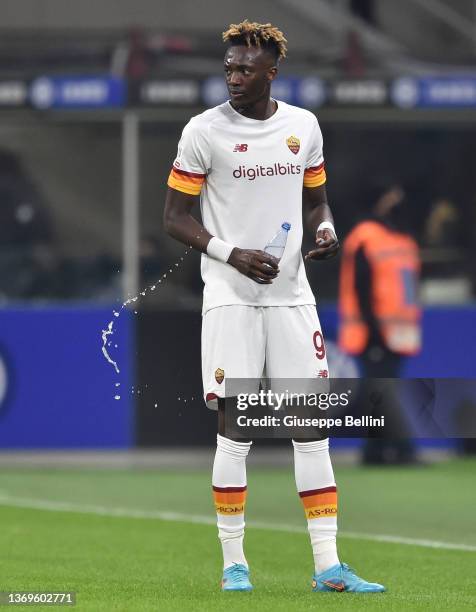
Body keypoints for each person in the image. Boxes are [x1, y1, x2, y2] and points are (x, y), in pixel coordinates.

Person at [164, 20, 385, 594]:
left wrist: (328, 230)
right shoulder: (203, 132)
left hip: (292, 297)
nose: (233, 77)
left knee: (311, 429)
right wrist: (230, 253)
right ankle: (234, 564)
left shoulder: (303, 127)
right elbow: (174, 218)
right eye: (229, 68)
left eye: (244, 69)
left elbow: (317, 203)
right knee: (235, 428)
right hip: (232, 299)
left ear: (271, 74)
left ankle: (328, 567)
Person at [338, 180, 422, 464]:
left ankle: (374, 452)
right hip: (373, 332)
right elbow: (361, 288)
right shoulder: (367, 237)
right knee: (381, 390)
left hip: (399, 333)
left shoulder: (400, 237)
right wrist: (374, 331)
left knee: (379, 390)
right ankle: (403, 450)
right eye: (392, 195)